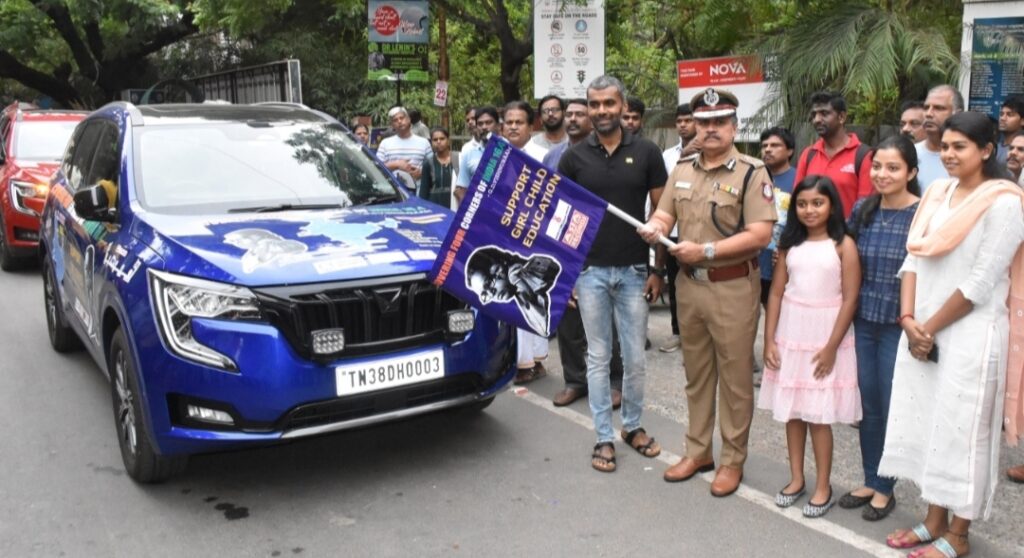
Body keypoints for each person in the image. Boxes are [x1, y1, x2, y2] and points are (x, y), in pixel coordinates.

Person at [879, 111, 1024, 558]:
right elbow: (913, 260)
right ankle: (933, 520)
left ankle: (958, 534)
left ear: (987, 150)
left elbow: (981, 284)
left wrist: (928, 329)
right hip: (921, 328)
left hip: (970, 336)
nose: (949, 154)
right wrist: (909, 322)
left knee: (965, 434)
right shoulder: (938, 192)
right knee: (931, 427)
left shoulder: (1005, 202)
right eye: (945, 146)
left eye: (960, 146)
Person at [640, 87, 776, 497]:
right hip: (689, 287)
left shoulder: (752, 172)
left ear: (735, 126)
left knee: (735, 382)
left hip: (732, 285)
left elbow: (761, 235)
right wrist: (657, 228)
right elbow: (666, 212)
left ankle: (733, 460)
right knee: (697, 377)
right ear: (695, 127)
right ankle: (698, 451)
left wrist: (707, 250)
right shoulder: (682, 168)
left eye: (720, 122)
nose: (712, 129)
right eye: (704, 122)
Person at [559, 75, 667, 472]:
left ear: (623, 107)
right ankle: (604, 436)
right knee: (599, 357)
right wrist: (568, 275)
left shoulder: (648, 152)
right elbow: (565, 219)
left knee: (636, 359)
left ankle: (633, 427)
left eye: (609, 103)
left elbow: (661, 216)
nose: (601, 111)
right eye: (594, 104)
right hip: (589, 274)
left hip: (636, 271)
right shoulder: (573, 157)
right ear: (588, 108)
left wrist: (659, 269)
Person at [759, 175, 861, 518]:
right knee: (793, 412)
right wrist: (769, 339)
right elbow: (775, 292)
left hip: (826, 335)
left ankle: (823, 486)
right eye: (802, 204)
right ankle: (796, 478)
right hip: (792, 331)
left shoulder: (843, 244)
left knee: (819, 416)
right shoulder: (788, 245)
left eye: (817, 203)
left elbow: (850, 299)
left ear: (832, 205)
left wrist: (832, 346)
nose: (809, 210)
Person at [837, 135, 921, 522]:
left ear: (911, 172)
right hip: (864, 319)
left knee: (891, 406)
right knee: (868, 405)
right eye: (877, 167)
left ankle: (886, 486)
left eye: (893, 167)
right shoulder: (862, 209)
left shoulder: (923, 215)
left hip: (900, 326)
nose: (882, 174)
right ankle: (871, 478)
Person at [546, 98, 625, 408]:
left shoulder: (607, 154)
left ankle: (615, 381)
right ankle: (575, 380)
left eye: (580, 113)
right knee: (567, 313)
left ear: (592, 120)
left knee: (606, 316)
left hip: (601, 244)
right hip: (563, 243)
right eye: (570, 114)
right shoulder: (554, 156)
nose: (574, 119)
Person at [498, 100, 550, 384]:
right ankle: (518, 361)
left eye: (519, 122)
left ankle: (534, 361)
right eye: (509, 122)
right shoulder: (495, 156)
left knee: (531, 298)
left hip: (534, 239)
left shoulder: (544, 157)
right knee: (508, 299)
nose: (513, 127)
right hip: (502, 238)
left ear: (532, 126)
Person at [658, 103, 701, 353]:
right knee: (676, 283)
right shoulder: (667, 155)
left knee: (701, 284)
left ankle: (700, 335)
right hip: (674, 228)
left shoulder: (711, 150)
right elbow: (666, 189)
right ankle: (677, 332)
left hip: (700, 229)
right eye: (680, 121)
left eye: (689, 120)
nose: (684, 125)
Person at [794, 91, 873, 218]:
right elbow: (798, 199)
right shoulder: (808, 154)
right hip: (813, 235)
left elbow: (865, 208)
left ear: (841, 117)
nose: (817, 120)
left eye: (824, 114)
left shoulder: (863, 155)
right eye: (814, 115)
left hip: (849, 235)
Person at [465, 247, 560, 337]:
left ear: (501, 264)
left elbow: (559, 279)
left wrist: (523, 278)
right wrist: (523, 287)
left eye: (488, 284)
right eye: (484, 295)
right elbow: (545, 329)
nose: (491, 293)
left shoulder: (536, 265)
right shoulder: (519, 294)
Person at [758, 127, 797, 309]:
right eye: (764, 145)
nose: (767, 149)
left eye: (775, 145)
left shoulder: (799, 179)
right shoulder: (754, 178)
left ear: (790, 151)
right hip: (755, 261)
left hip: (783, 261)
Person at [915, 85, 963, 191]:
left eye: (939, 108)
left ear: (957, 114)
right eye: (926, 108)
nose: (929, 114)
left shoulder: (970, 158)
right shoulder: (910, 154)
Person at [454, 106, 499, 205]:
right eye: (480, 124)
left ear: (498, 125)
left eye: (488, 122)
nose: (484, 127)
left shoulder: (509, 149)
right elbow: (462, 189)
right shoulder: (468, 152)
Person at [377, 106, 432, 183]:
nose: (399, 121)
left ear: (409, 119)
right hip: (394, 190)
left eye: (401, 118)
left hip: (419, 190)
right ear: (392, 125)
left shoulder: (424, 142)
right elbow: (377, 167)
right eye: (395, 120)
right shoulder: (385, 143)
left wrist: (422, 172)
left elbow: (433, 166)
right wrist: (396, 164)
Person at [418, 126, 459, 209]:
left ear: (448, 141)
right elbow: (423, 192)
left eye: (442, 139)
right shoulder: (428, 164)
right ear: (431, 143)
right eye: (435, 140)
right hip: (435, 208)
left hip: (457, 206)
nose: (439, 142)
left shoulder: (459, 159)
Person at [525, 94, 567, 161]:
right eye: (545, 111)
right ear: (540, 118)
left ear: (564, 113)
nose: (550, 114)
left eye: (554, 110)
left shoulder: (574, 142)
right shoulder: (532, 145)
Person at [997, 95, 1024, 168]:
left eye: (1009, 115)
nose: (1003, 118)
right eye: (1001, 114)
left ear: (1022, 121)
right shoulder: (993, 148)